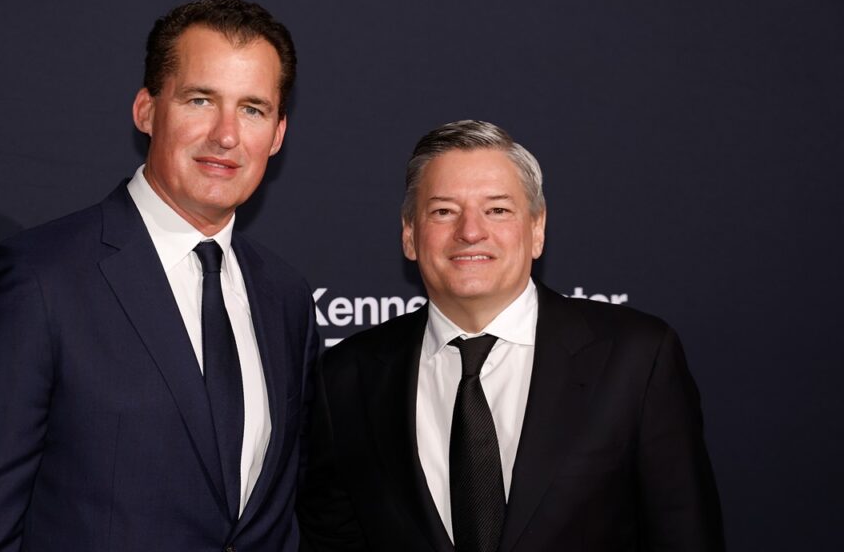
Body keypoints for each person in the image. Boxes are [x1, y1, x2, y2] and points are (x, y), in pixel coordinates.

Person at [0, 0, 319, 551]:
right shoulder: (38, 281)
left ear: (277, 134)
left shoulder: (285, 297)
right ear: (147, 110)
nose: (226, 135)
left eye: (252, 109)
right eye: (200, 100)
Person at [297, 120, 724, 551]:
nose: (470, 231)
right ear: (409, 235)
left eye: (497, 210)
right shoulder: (346, 378)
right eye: (443, 211)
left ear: (537, 229)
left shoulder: (637, 359)